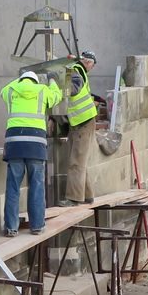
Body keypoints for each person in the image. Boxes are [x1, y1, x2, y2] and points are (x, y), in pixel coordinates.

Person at [0, 69, 62, 233]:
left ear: (21, 80)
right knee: (37, 185)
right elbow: (57, 96)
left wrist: (20, 81)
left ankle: (11, 228)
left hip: (14, 143)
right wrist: (52, 80)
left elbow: (3, 91)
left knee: (13, 186)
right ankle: (37, 226)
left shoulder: (11, 90)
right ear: (36, 81)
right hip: (36, 144)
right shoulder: (43, 90)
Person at [57, 50, 99, 205]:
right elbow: (74, 89)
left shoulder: (75, 70)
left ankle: (74, 198)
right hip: (81, 121)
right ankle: (87, 196)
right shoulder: (77, 70)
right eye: (92, 65)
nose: (92, 69)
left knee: (76, 162)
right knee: (79, 161)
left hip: (83, 121)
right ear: (88, 62)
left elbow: (73, 90)